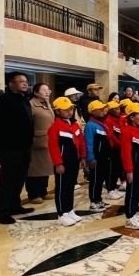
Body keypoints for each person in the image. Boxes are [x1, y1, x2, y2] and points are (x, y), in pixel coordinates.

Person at [0, 71, 35, 225]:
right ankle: (2, 212)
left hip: (25, 147)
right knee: (8, 181)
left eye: (26, 81)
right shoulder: (2, 101)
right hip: (10, 148)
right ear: (11, 84)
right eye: (21, 81)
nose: (25, 84)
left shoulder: (24, 100)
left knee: (19, 179)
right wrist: (3, 144)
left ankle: (15, 205)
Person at [47, 97, 87, 227]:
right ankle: (62, 214)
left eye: (70, 109)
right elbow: (53, 147)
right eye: (65, 110)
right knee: (61, 188)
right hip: (63, 164)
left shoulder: (75, 125)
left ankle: (69, 210)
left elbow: (81, 141)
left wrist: (83, 157)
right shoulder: (55, 128)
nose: (69, 112)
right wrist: (58, 163)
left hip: (74, 162)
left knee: (70, 187)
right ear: (58, 111)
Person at [120, 104, 139, 230]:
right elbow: (126, 153)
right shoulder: (127, 131)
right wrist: (129, 170)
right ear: (132, 117)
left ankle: (134, 214)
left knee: (137, 191)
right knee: (131, 192)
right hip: (133, 167)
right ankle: (129, 217)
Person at [26, 83, 54, 204]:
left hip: (48, 140)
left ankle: (43, 191)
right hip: (37, 141)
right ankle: (33, 194)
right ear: (36, 92)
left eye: (48, 90)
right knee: (35, 169)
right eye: (44, 90)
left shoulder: (47, 103)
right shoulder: (31, 104)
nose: (47, 92)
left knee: (45, 167)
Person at [83, 100, 113, 212]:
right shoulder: (91, 125)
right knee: (95, 180)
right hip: (96, 158)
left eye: (103, 109)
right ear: (93, 112)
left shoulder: (102, 123)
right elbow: (89, 143)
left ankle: (98, 199)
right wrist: (91, 157)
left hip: (104, 157)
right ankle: (93, 202)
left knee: (100, 179)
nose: (103, 111)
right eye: (100, 109)